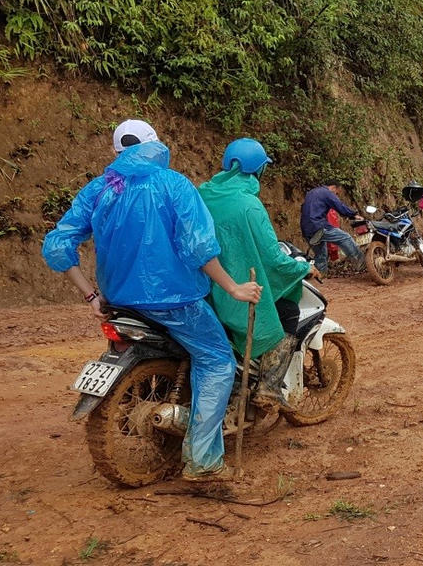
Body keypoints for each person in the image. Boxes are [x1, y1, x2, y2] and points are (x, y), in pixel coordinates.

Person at [42, 119, 262, 482]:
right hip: (175, 301)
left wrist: (90, 295)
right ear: (156, 145)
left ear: (116, 152)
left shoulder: (99, 189)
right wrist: (233, 288)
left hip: (119, 304)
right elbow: (198, 247)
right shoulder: (174, 184)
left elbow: (57, 244)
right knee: (217, 360)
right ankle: (204, 461)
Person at [198, 139, 317, 410]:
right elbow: (274, 259)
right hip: (235, 290)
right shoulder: (250, 205)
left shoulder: (203, 193)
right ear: (258, 170)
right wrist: (303, 267)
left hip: (204, 286)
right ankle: (269, 387)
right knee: (287, 310)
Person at [300, 182, 364, 275]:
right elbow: (339, 205)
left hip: (306, 228)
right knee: (345, 238)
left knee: (321, 254)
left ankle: (320, 276)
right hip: (318, 225)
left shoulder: (311, 193)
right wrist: (353, 215)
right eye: (337, 192)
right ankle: (361, 263)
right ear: (334, 187)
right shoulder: (326, 193)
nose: (336, 194)